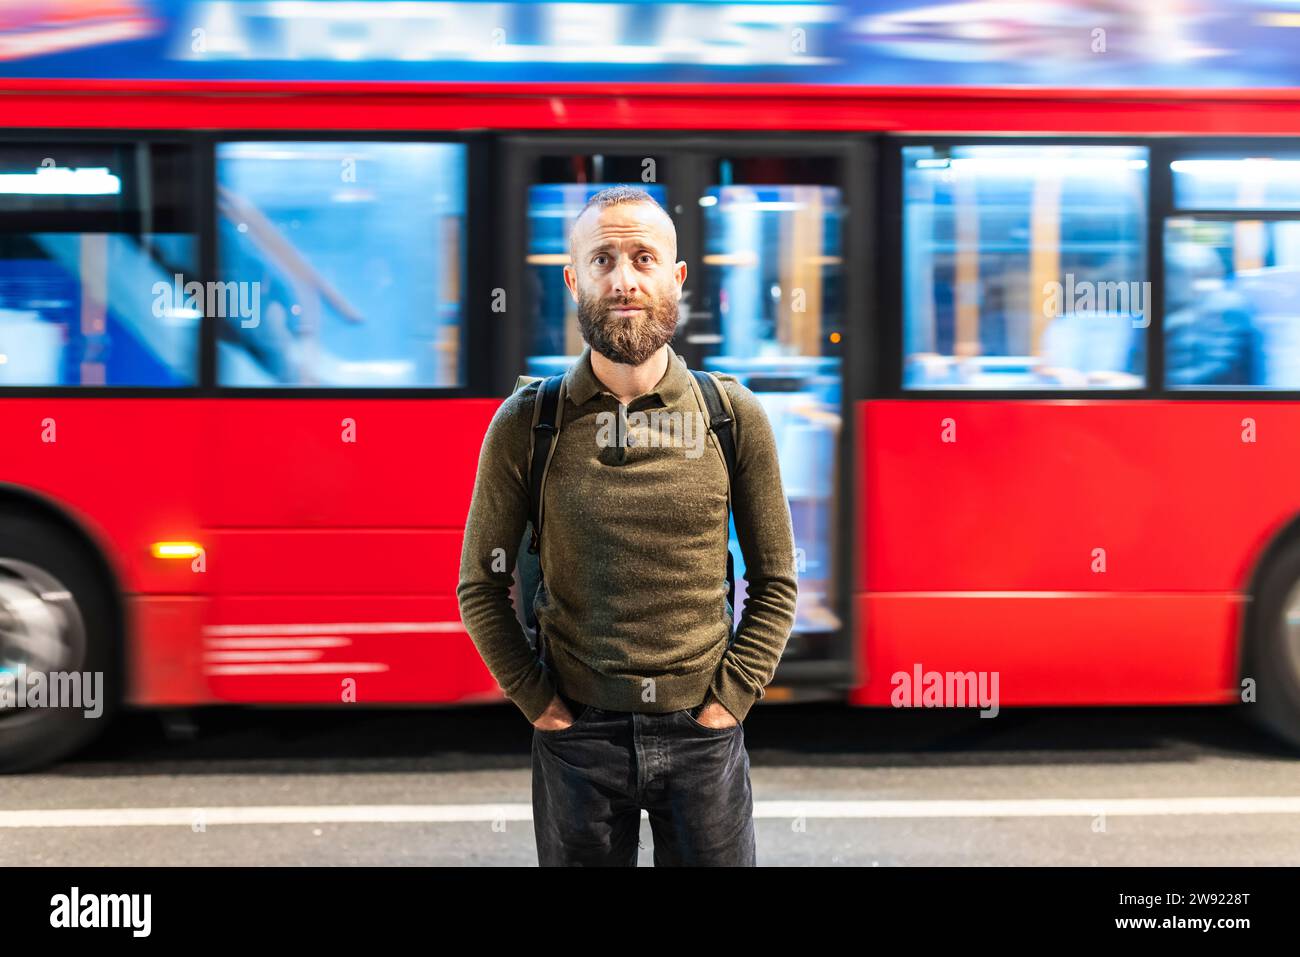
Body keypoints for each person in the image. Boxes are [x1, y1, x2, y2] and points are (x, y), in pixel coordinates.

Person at [456, 185, 797, 865]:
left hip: (703, 737)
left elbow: (777, 580)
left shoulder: (733, 417)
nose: (623, 279)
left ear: (675, 277)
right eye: (603, 259)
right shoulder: (527, 423)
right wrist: (541, 705)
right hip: (578, 742)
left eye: (643, 258)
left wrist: (728, 701)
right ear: (572, 278)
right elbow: (479, 587)